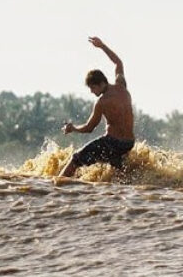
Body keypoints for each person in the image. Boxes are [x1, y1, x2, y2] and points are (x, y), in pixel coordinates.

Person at [58, 36, 135, 178]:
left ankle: (56, 187)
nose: (92, 92)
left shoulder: (102, 102)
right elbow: (118, 62)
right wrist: (102, 46)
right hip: (128, 143)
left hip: (113, 143)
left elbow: (89, 128)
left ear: (100, 84)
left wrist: (73, 128)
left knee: (75, 159)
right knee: (117, 170)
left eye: (92, 88)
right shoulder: (121, 86)